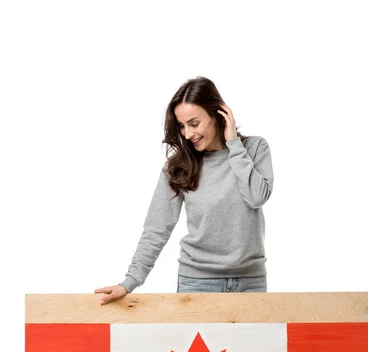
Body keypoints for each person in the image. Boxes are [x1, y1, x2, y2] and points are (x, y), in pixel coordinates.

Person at [95, 76, 274, 304]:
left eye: (194, 123)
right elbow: (157, 228)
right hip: (198, 283)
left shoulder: (254, 148)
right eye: (181, 126)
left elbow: (256, 197)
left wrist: (234, 145)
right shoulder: (178, 166)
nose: (188, 134)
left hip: (251, 282)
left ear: (218, 114)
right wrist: (130, 281)